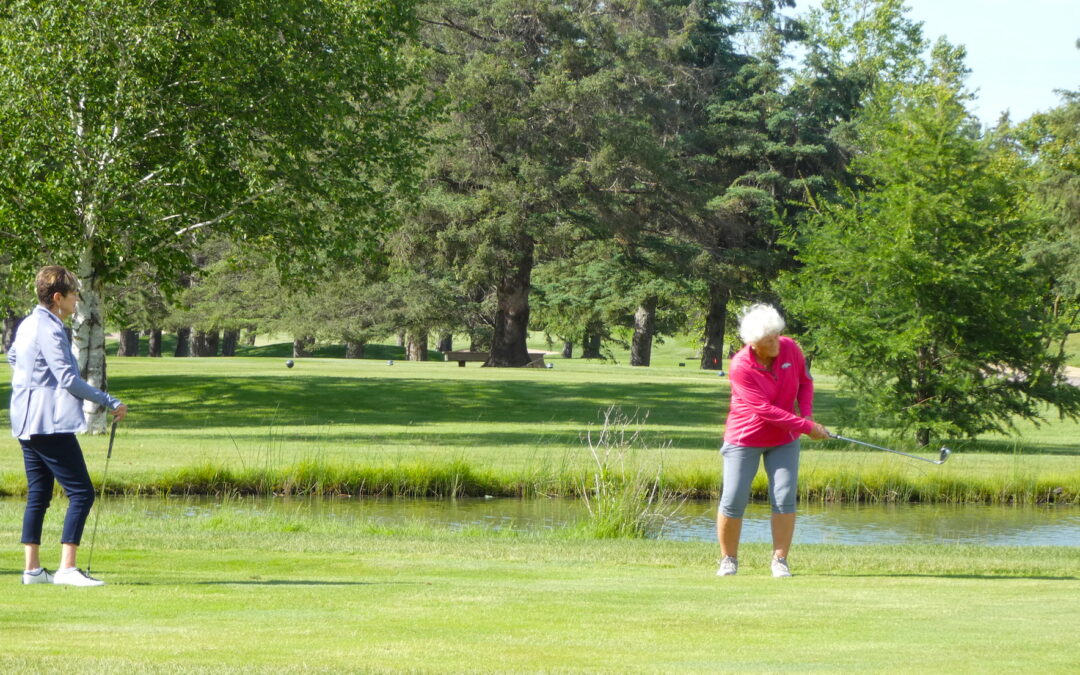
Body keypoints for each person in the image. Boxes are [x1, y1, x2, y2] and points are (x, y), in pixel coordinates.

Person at [9, 266, 128, 586]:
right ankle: (67, 569)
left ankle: (33, 570)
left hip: (25, 421)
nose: (77, 299)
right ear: (58, 298)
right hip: (48, 422)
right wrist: (110, 401)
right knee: (82, 493)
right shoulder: (49, 328)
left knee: (39, 494)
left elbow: (13, 358)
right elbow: (67, 379)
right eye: (73, 294)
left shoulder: (27, 323)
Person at [716, 304, 827, 578]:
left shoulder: (790, 347)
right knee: (733, 498)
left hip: (784, 438)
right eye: (769, 340)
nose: (776, 343)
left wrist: (808, 414)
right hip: (745, 438)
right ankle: (729, 559)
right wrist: (806, 426)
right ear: (754, 344)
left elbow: (805, 382)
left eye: (777, 336)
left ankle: (780, 560)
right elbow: (764, 410)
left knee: (784, 496)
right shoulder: (741, 365)